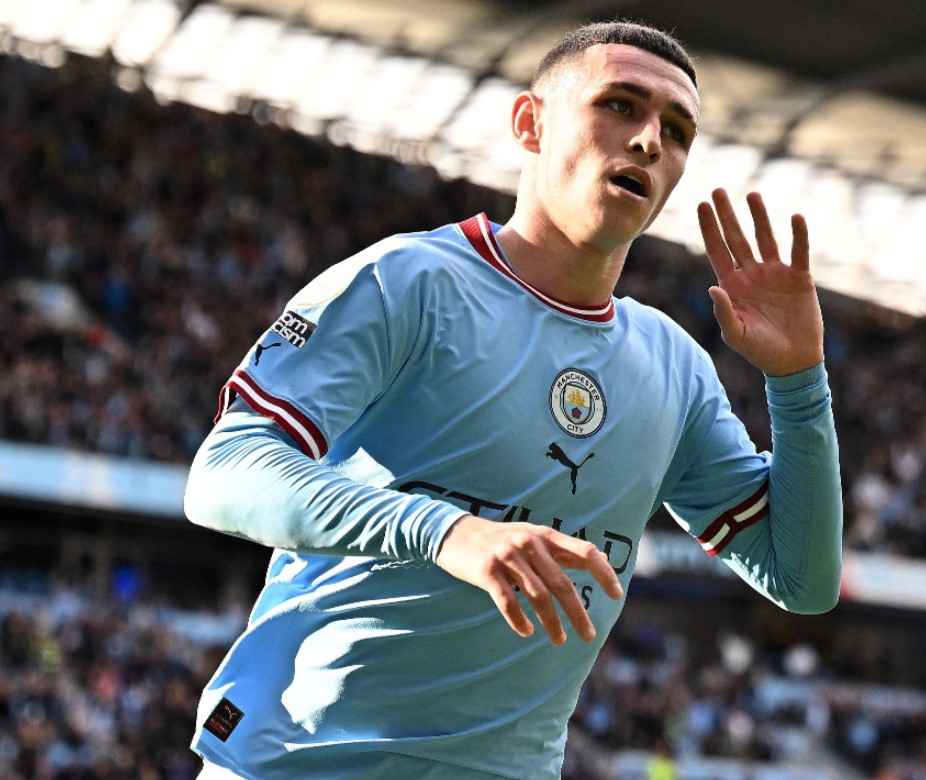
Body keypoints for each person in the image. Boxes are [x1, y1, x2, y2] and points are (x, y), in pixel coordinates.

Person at [184, 20, 842, 779]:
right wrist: (444, 530)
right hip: (298, 763)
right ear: (530, 124)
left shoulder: (673, 367)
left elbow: (802, 580)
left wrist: (799, 382)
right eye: (620, 106)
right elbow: (224, 472)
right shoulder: (407, 283)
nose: (649, 141)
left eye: (677, 130)